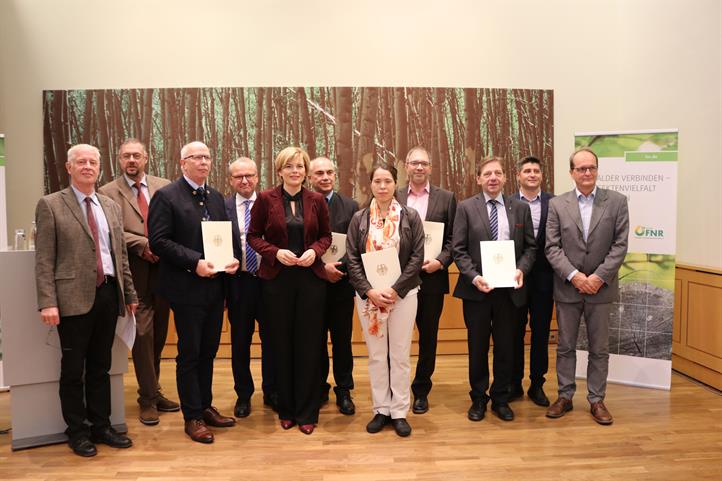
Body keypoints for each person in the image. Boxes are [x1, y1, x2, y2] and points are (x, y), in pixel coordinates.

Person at [35, 144, 138, 457]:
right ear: (69, 167)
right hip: (71, 299)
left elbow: (120, 256)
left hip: (108, 294)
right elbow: (44, 259)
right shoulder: (51, 204)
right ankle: (77, 432)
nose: (88, 167)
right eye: (81, 162)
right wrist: (47, 302)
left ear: (99, 167)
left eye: (93, 162)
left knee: (100, 366)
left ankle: (102, 426)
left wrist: (130, 294)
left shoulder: (110, 206)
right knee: (73, 370)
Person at [148, 141, 239, 444]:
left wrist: (232, 259)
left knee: (209, 351)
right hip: (186, 288)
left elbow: (222, 238)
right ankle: (193, 417)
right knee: (190, 353)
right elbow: (159, 241)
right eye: (196, 157)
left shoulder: (214, 197)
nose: (203, 162)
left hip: (215, 288)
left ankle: (205, 405)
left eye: (207, 157)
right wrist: (194, 263)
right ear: (182, 162)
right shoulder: (166, 196)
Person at [247, 146, 331, 435]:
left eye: (299, 166)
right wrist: (274, 252)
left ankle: (308, 411)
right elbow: (253, 236)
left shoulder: (316, 200)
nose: (295, 171)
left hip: (310, 281)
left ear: (306, 171)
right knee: (280, 345)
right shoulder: (264, 199)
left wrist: (314, 251)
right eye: (289, 166)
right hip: (277, 281)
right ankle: (286, 409)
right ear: (280, 170)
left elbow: (325, 236)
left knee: (309, 346)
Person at [545, 148, 629, 425]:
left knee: (599, 348)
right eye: (581, 169)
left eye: (591, 167)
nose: (587, 173)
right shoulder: (558, 205)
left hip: (601, 289)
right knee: (566, 346)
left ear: (597, 169)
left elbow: (620, 245)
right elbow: (552, 247)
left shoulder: (617, 202)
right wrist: (575, 276)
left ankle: (597, 400)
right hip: (568, 288)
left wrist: (597, 277)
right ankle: (565, 395)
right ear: (572, 173)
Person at [99, 139, 179, 426]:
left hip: (166, 270)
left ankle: (153, 390)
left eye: (136, 155)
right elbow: (111, 232)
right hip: (134, 272)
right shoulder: (107, 192)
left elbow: (176, 221)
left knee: (158, 334)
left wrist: (165, 246)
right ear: (119, 160)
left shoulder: (165, 185)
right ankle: (146, 399)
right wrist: (144, 244)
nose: (131, 160)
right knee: (143, 335)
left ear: (146, 157)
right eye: (125, 156)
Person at [452, 156, 536, 423]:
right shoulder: (465, 208)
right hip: (477, 290)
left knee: (505, 347)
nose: (493, 178)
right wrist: (474, 276)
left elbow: (531, 247)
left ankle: (500, 397)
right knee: (477, 347)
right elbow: (458, 249)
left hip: (508, 291)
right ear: (478, 178)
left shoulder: (519, 208)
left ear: (504, 178)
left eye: (497, 173)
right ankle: (478, 397)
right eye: (487, 173)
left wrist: (521, 269)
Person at [346, 163, 425, 437]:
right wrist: (369, 290)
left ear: (395, 184)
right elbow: (352, 259)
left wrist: (396, 289)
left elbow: (417, 257)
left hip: (402, 296)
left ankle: (400, 411)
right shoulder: (359, 219)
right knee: (378, 356)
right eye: (377, 181)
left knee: (400, 355)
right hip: (369, 299)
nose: (382, 186)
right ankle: (381, 409)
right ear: (370, 185)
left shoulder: (410, 217)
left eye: (387, 181)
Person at [395, 146, 457, 415]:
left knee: (428, 336)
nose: (419, 168)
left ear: (431, 168)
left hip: (432, 279)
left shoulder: (447, 199)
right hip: (398, 280)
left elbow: (456, 239)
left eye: (424, 163)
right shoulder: (393, 196)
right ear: (406, 167)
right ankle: (394, 389)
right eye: (414, 163)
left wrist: (441, 261)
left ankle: (421, 390)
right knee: (396, 338)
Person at [224, 157, 277, 418]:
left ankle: (271, 390)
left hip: (268, 282)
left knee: (272, 341)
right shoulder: (222, 207)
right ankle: (243, 395)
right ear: (231, 180)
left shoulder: (270, 204)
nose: (244, 181)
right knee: (240, 341)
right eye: (238, 177)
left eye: (249, 175)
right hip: (239, 284)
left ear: (257, 177)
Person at [308, 156, 359, 415]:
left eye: (329, 172)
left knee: (342, 340)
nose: (325, 177)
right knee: (315, 340)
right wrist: (321, 268)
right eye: (319, 173)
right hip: (311, 284)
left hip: (341, 283)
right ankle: (318, 388)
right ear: (310, 177)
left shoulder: (351, 206)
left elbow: (357, 245)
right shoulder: (301, 205)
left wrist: (337, 269)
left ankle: (344, 390)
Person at [509, 156, 555, 407]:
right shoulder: (507, 203)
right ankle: (514, 383)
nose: (532, 174)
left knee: (541, 332)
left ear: (541, 175)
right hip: (515, 276)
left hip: (545, 278)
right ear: (518, 175)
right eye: (527, 170)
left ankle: (537, 384)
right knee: (514, 331)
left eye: (536, 170)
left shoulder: (554, 203)